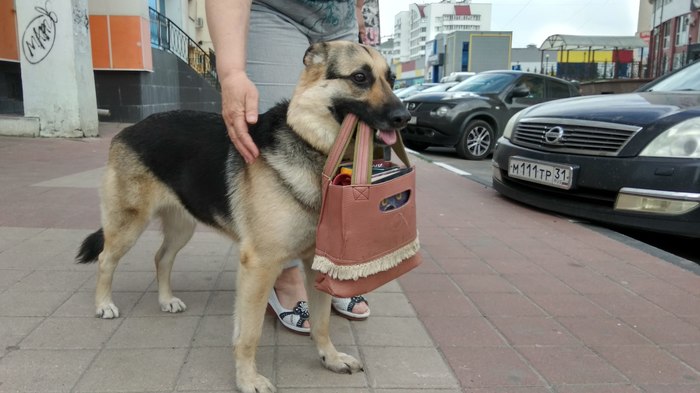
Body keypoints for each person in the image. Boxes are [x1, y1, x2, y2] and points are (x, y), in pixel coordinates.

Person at [206, 0, 371, 334]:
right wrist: (232, 74)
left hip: (339, 19)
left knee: (345, 148)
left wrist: (356, 9)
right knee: (280, 141)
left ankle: (331, 264)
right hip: (275, 10)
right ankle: (286, 274)